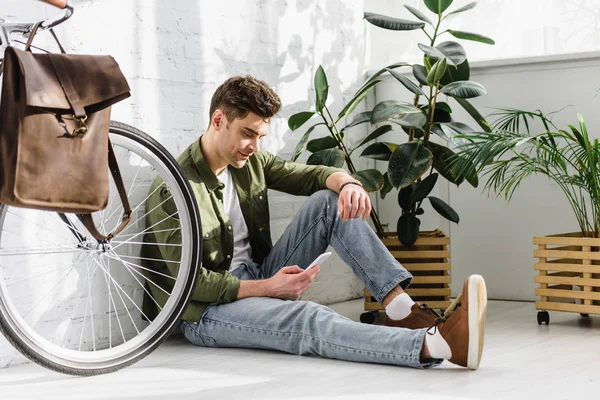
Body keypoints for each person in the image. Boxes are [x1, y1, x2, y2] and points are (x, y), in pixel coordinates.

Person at [141, 75, 488, 370]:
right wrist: (269, 289)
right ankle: (434, 346)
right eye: (248, 133)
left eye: (260, 136)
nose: (254, 146)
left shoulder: (248, 162)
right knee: (307, 318)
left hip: (255, 275)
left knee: (328, 201)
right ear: (218, 120)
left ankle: (401, 308)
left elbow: (312, 176)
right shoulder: (173, 187)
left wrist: (349, 184)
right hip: (205, 311)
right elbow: (188, 285)